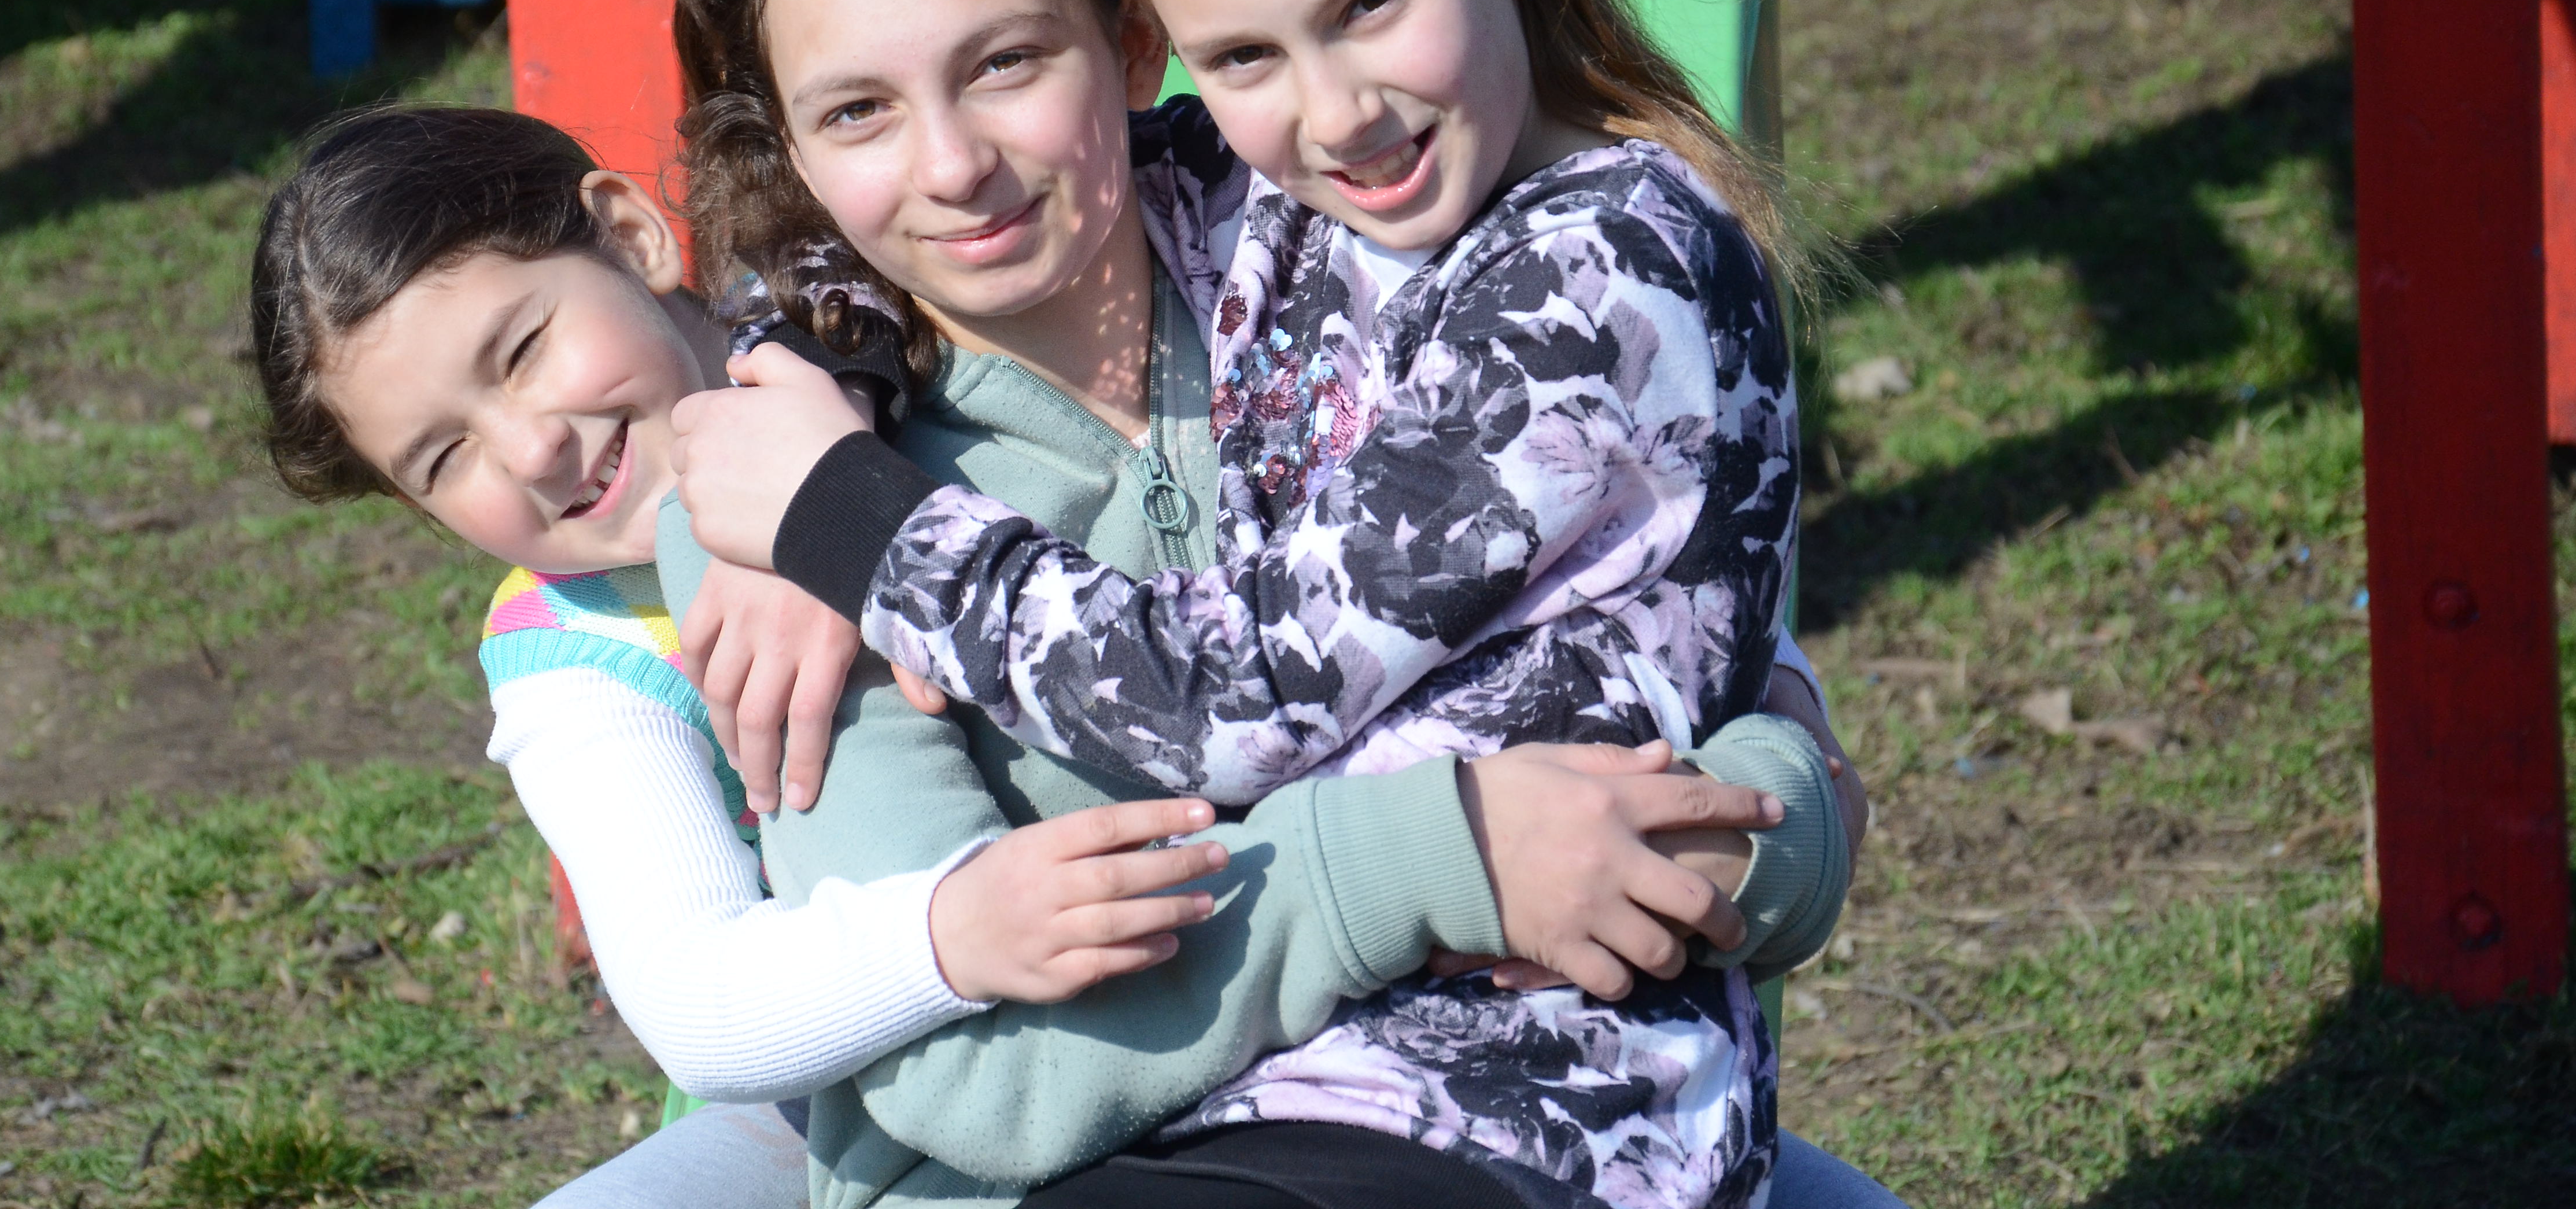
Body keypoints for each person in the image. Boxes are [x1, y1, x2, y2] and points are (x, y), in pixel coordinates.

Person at [673, 0, 1857, 1209]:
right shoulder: (1246, 207)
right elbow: (982, 1085)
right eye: (861, 111)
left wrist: (849, 526)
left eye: (1011, 61)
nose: (954, 165)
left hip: (1491, 1102)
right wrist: (794, 430)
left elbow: (1237, 695)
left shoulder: (1501, 254)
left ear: (1122, 40)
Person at [241, 101, 1810, 1209]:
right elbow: (705, 1008)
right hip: (884, 1101)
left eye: (521, 351)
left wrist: (825, 483)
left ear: (632, 230)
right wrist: (947, 933)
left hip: (1299, 987)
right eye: (441, 460)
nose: (534, 448)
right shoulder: (578, 666)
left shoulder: (881, 334)